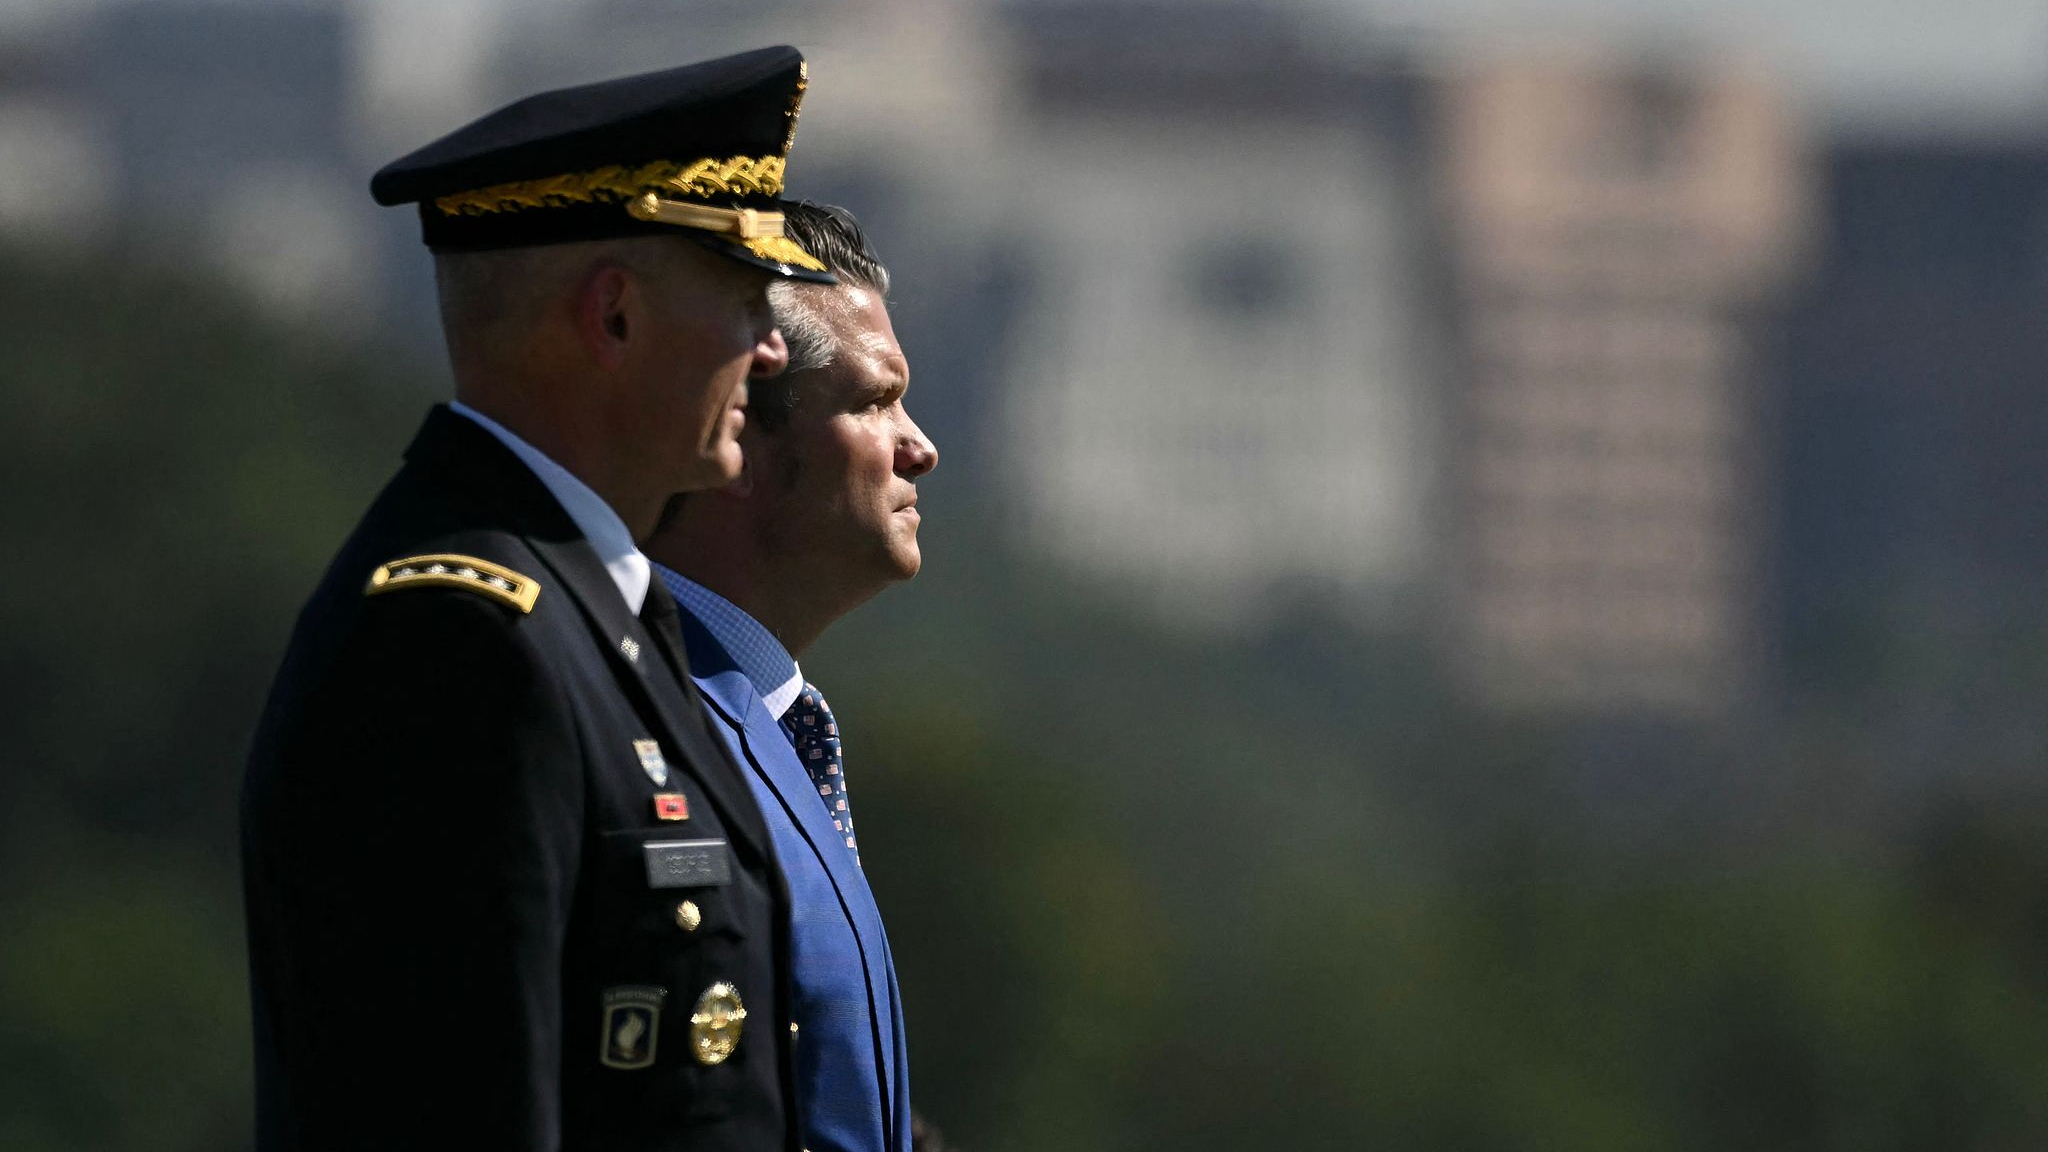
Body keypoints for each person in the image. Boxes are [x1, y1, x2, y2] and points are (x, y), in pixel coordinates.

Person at [240, 47, 837, 1152]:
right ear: (613, 317)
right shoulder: (461, 640)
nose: (766, 350)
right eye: (746, 297)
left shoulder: (593, 611)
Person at [641, 202, 939, 1152]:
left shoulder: (767, 721)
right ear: (737, 431)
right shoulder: (637, 721)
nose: (917, 446)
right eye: (873, 401)